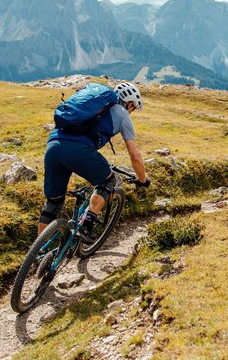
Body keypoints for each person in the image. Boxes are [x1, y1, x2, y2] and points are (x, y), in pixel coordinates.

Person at [39, 81, 150, 242]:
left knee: (53, 203)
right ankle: (86, 225)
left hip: (53, 144)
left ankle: (38, 253)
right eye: (133, 108)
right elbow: (135, 156)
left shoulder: (93, 101)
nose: (131, 112)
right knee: (108, 181)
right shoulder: (123, 114)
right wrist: (142, 179)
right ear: (130, 103)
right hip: (78, 150)